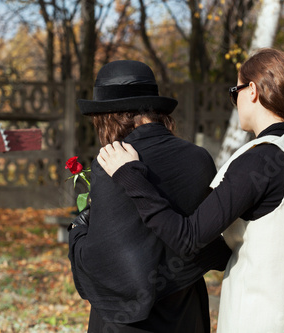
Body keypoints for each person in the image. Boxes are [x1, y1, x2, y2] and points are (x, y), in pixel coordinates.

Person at [97, 49, 284, 332]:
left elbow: (188, 238)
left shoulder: (260, 159)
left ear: (252, 91)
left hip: (261, 316)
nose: (236, 102)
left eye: (236, 91)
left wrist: (130, 177)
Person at [68, 60, 232, 332]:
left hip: (128, 321)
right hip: (186, 312)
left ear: (110, 115)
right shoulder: (199, 158)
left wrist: (77, 230)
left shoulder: (110, 162)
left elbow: (103, 262)